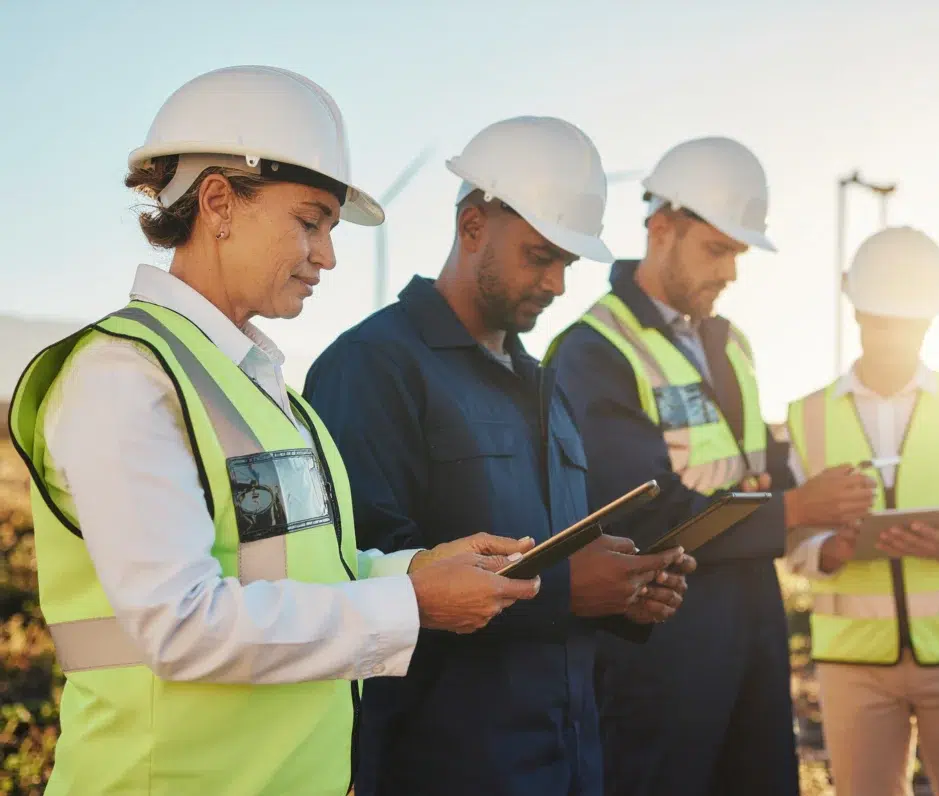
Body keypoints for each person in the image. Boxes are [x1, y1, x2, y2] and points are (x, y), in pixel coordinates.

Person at [6, 65, 542, 796]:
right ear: (219, 202)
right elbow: (182, 623)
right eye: (310, 221)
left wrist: (415, 570)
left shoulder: (263, 391)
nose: (327, 254)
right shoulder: (123, 379)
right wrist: (412, 605)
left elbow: (306, 574)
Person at [304, 116, 692, 796]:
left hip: (568, 758)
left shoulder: (544, 384)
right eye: (539, 256)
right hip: (446, 766)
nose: (557, 284)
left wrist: (619, 595)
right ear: (474, 225)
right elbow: (367, 576)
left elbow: (555, 553)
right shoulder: (371, 367)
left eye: (567, 263)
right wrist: (570, 589)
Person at [546, 136, 876, 796]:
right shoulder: (593, 350)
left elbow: (761, 467)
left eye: (737, 253)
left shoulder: (732, 345)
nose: (730, 272)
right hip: (663, 642)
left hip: (753, 626)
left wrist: (816, 530)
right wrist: (796, 510)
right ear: (660, 230)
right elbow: (637, 509)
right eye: (717, 249)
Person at [786, 226, 939, 796]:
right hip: (852, 665)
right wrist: (828, 550)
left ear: (935, 312)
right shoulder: (806, 415)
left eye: (906, 319)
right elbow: (790, 534)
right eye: (880, 317)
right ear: (854, 304)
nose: (893, 333)